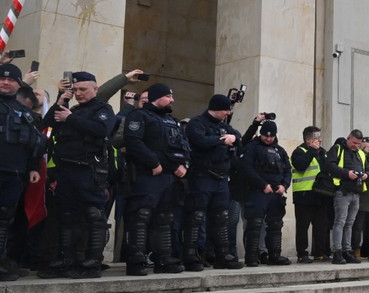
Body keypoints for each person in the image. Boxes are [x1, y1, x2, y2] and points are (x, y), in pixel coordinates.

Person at [42, 72, 117, 278]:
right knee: (67, 215)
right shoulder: (70, 108)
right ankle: (66, 258)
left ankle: (93, 261)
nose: (79, 93)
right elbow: (47, 125)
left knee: (93, 216)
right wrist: (60, 101)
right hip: (66, 170)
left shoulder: (103, 109)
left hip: (88, 170)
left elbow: (101, 130)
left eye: (83, 89)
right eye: (75, 90)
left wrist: (71, 118)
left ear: (95, 89)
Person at [122, 83, 190, 275]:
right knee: (141, 217)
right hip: (147, 176)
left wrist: (184, 165)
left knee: (165, 219)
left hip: (169, 178)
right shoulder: (139, 116)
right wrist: (153, 162)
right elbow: (133, 142)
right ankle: (136, 260)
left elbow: (182, 147)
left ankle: (163, 259)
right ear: (157, 97)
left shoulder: (173, 122)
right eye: (168, 96)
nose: (172, 100)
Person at [181, 94, 243, 271]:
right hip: (202, 176)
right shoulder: (197, 123)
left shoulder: (224, 126)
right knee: (196, 216)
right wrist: (223, 140)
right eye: (225, 109)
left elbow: (239, 139)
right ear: (216, 108)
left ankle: (222, 255)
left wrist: (233, 139)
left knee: (221, 217)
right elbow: (200, 141)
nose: (228, 113)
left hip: (221, 178)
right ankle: (191, 255)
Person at [239, 119, 292, 266]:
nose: (268, 139)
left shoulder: (280, 150)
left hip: (276, 193)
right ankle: (251, 257)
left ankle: (274, 255)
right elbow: (247, 169)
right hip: (258, 191)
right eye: (265, 136)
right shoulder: (252, 147)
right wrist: (262, 185)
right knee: (254, 225)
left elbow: (288, 170)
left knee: (275, 225)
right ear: (261, 134)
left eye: (271, 136)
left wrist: (284, 185)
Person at [326, 129, 367, 264]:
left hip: (356, 191)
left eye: (359, 144)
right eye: (354, 143)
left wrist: (367, 175)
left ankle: (347, 250)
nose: (356, 146)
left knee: (350, 223)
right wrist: (346, 173)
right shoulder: (338, 148)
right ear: (348, 138)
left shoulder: (360, 153)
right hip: (342, 191)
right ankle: (337, 252)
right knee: (340, 222)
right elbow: (329, 166)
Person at [291, 125, 331, 263]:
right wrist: (311, 151)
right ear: (308, 140)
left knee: (321, 225)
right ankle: (302, 254)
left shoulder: (323, 153)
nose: (320, 140)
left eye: (320, 137)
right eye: (316, 138)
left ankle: (320, 252)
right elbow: (300, 166)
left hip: (320, 195)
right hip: (304, 195)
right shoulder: (299, 151)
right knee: (303, 226)